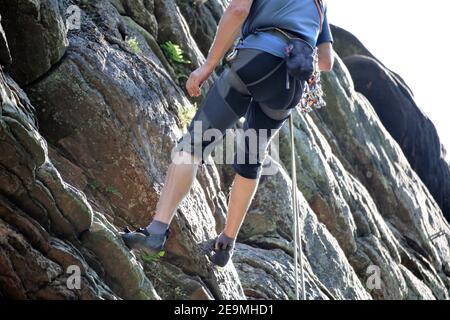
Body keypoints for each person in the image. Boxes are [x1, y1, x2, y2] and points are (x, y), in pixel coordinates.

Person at [122, 0, 334, 267]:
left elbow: (237, 11)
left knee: (194, 144)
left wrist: (207, 65)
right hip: (289, 86)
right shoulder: (320, 5)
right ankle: (226, 244)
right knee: (251, 160)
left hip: (254, 61)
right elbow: (326, 62)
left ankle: (156, 230)